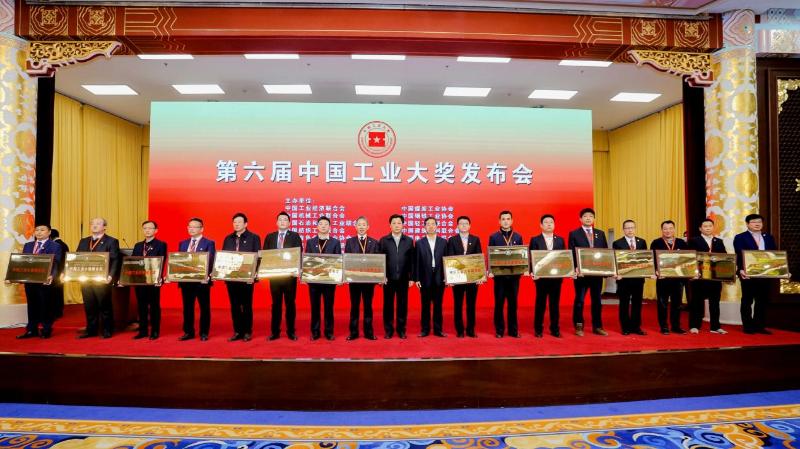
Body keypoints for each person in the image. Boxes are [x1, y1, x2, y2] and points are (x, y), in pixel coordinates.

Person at [76, 217, 121, 339]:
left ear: (104, 227)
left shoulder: (111, 241)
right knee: (89, 305)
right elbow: (77, 258)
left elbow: (115, 260)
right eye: (92, 223)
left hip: (102, 279)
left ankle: (107, 330)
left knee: (104, 305)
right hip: (86, 278)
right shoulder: (84, 241)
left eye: (98, 223)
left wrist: (111, 275)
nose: (94, 225)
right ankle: (91, 330)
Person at [733, 214, 778, 334]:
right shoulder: (740, 237)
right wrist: (740, 269)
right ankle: (748, 326)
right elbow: (739, 255)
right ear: (747, 224)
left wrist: (781, 269)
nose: (757, 224)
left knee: (762, 301)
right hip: (747, 274)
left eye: (759, 222)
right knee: (747, 300)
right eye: (753, 222)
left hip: (765, 274)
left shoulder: (768, 237)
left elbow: (775, 255)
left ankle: (759, 326)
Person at [15, 224, 62, 339]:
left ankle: (46, 329)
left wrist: (52, 276)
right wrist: (17, 275)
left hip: (45, 281)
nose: (39, 232)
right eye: (37, 230)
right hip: (30, 281)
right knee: (32, 306)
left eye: (42, 230)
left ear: (49, 232)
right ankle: (32, 330)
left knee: (45, 305)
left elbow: (56, 263)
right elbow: (23, 262)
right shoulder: (28, 245)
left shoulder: (55, 246)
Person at [568, 208, 609, 336]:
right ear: (580, 219)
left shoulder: (600, 233)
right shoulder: (574, 234)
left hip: (597, 273)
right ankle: (579, 325)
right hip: (581, 274)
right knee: (580, 300)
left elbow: (605, 253)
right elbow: (571, 253)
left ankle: (598, 326)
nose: (588, 218)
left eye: (591, 216)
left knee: (597, 300)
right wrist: (575, 269)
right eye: (585, 216)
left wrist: (606, 269)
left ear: (594, 219)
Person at [263, 211, 303, 341]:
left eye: (285, 219)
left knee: (290, 304)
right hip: (275, 277)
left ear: (289, 223)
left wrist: (297, 270)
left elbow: (299, 254)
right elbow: (265, 255)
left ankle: (291, 331)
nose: (282, 221)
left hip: (290, 277)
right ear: (276, 222)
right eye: (280, 219)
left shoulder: (295, 236)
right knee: (276, 304)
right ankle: (275, 332)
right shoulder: (270, 237)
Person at [221, 212, 261, 342]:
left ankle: (247, 331)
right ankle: (237, 331)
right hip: (231, 278)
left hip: (247, 278)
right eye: (234, 222)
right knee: (235, 305)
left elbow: (258, 257)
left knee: (247, 305)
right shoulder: (228, 238)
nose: (236, 224)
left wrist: (255, 274)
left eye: (239, 222)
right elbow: (223, 257)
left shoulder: (254, 237)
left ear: (245, 224)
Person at [177, 217, 216, 341]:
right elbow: (178, 261)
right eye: (190, 226)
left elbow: (211, 261)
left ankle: (204, 332)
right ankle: (188, 332)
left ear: (201, 229)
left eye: (195, 227)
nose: (192, 229)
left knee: (204, 308)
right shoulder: (183, 243)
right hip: (186, 281)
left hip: (202, 282)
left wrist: (208, 276)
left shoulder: (208, 243)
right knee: (187, 308)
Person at [528, 214, 566, 338]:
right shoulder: (535, 240)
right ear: (541, 225)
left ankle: (555, 329)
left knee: (555, 305)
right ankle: (538, 329)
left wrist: (565, 271)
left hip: (556, 278)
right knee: (540, 304)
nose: (549, 224)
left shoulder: (560, 240)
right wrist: (532, 272)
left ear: (554, 225)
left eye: (551, 222)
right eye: (546, 222)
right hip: (541, 278)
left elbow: (564, 258)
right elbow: (531, 258)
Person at [488, 210, 524, 338]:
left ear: (512, 221)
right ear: (499, 221)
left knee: (513, 304)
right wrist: (490, 271)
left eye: (508, 219)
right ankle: (499, 330)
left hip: (514, 277)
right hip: (499, 277)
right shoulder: (494, 237)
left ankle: (513, 330)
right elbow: (490, 255)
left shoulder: (518, 237)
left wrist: (524, 268)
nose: (506, 221)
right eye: (503, 219)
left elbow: (522, 255)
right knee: (499, 304)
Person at [446, 215, 483, 338]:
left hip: (472, 277)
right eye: (461, 223)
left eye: (466, 223)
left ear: (469, 225)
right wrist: (451, 277)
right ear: (457, 226)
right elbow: (450, 258)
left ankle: (471, 329)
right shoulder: (452, 240)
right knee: (458, 304)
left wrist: (480, 277)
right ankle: (460, 330)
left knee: (471, 305)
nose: (463, 225)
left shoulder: (475, 239)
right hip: (457, 278)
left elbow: (478, 257)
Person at [688, 218, 727, 334]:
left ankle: (715, 327)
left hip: (715, 277)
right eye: (705, 226)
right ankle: (694, 325)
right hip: (699, 277)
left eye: (710, 226)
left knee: (715, 303)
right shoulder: (694, 241)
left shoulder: (718, 241)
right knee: (697, 302)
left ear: (713, 228)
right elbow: (690, 257)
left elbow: (724, 257)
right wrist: (693, 273)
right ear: (700, 228)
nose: (708, 228)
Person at [305, 216, 341, 340]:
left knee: (328, 307)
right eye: (321, 224)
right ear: (317, 226)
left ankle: (329, 332)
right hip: (314, 281)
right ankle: (315, 332)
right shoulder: (310, 242)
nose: (323, 226)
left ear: (330, 227)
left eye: (326, 224)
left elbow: (338, 261)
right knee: (315, 308)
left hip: (329, 281)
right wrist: (306, 276)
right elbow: (307, 261)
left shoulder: (335, 242)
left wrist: (338, 277)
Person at [344, 216, 380, 341]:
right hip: (354, 280)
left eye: (364, 225)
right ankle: (353, 332)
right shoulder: (350, 242)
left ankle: (369, 332)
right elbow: (347, 259)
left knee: (368, 306)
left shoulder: (374, 242)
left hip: (369, 280)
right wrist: (346, 276)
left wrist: (378, 277)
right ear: (355, 227)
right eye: (359, 224)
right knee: (354, 306)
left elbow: (377, 261)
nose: (361, 227)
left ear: (368, 227)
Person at [379, 214, 415, 339]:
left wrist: (412, 277)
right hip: (388, 279)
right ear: (390, 225)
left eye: (399, 223)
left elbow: (412, 261)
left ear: (403, 225)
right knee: (388, 305)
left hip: (403, 279)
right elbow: (380, 260)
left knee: (402, 305)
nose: (396, 225)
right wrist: (382, 276)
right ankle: (388, 330)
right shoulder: (384, 240)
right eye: (394, 223)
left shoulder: (409, 241)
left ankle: (401, 330)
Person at [651, 220, 689, 335]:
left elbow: (687, 259)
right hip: (663, 279)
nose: (668, 231)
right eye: (665, 229)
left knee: (677, 304)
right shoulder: (656, 243)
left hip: (678, 279)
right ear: (662, 230)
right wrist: (655, 271)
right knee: (662, 303)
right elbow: (651, 259)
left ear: (674, 229)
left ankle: (676, 326)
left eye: (670, 228)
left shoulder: (681, 243)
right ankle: (664, 326)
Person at [131, 220, 167, 340]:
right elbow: (133, 262)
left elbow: (162, 261)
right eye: (145, 228)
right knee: (141, 306)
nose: (147, 230)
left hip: (153, 280)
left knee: (154, 306)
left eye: (150, 228)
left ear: (156, 230)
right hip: (140, 280)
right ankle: (143, 331)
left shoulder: (161, 244)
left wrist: (159, 278)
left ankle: (155, 331)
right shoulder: (138, 245)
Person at [611, 219, 649, 336]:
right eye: (627, 228)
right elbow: (615, 260)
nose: (630, 230)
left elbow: (646, 259)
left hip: (638, 279)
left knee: (637, 303)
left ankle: (636, 327)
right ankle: (625, 327)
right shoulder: (617, 243)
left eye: (632, 227)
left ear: (635, 228)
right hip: (624, 279)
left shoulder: (642, 242)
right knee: (624, 303)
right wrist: (616, 273)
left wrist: (648, 272)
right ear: (623, 230)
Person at [415, 217, 448, 338]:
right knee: (425, 306)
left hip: (440, 277)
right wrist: (417, 278)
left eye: (433, 224)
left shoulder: (443, 242)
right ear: (424, 227)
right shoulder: (419, 243)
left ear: (437, 226)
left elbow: (447, 260)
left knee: (438, 305)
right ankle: (425, 330)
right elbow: (416, 261)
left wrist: (447, 276)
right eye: (428, 224)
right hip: (425, 278)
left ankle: (438, 330)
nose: (430, 226)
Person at [50, 228, 69, 319]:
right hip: (63, 271)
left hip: (56, 272)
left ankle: (56, 312)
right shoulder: (64, 244)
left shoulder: (55, 245)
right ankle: (59, 311)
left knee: (54, 293)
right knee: (59, 292)